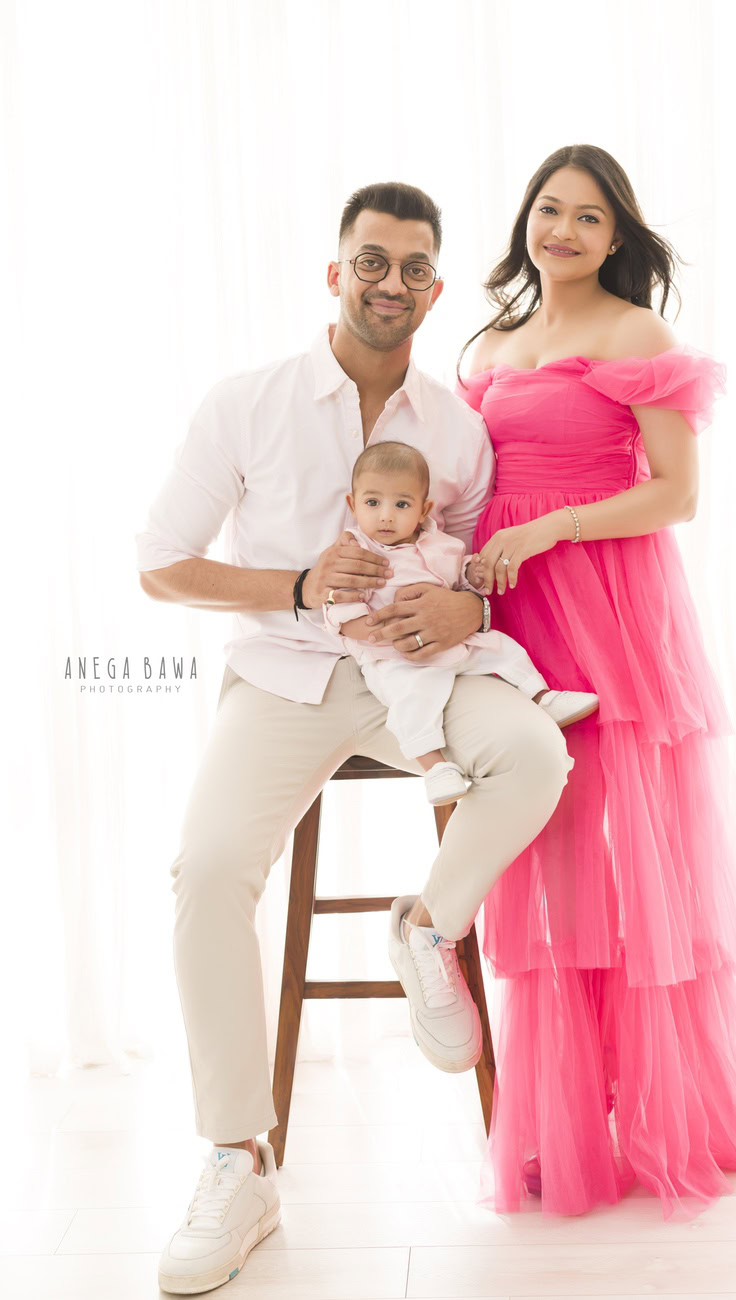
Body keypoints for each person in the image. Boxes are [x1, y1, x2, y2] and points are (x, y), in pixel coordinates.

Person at [136, 181, 574, 1294]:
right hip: (285, 676)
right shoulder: (248, 401)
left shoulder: (458, 428)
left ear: (435, 286)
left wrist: (467, 611)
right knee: (208, 869)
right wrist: (293, 581)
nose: (392, 282)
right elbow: (160, 561)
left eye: (415, 266)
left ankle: (428, 927)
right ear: (335, 274)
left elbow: (479, 571)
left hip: (415, 676)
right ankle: (239, 1160)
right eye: (371, 262)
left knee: (535, 752)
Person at [454, 143, 736, 1222]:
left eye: (589, 218)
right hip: (513, 617)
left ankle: (659, 1109)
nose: (563, 230)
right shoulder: (492, 340)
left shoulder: (635, 331)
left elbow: (676, 494)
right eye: (550, 210)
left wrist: (558, 524)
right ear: (527, 218)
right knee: (544, 853)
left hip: (606, 605)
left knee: (633, 853)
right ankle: (564, 1115)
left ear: (619, 239)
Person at [310, 438, 600, 805]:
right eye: (372, 503)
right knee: (413, 701)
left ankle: (541, 696)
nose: (385, 516)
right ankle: (435, 767)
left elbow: (458, 578)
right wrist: (372, 631)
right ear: (353, 505)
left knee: (503, 648)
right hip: (395, 654)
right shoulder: (357, 550)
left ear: (423, 509)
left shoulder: (440, 543)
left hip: (455, 640)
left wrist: (474, 573)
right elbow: (341, 603)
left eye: (401, 504)